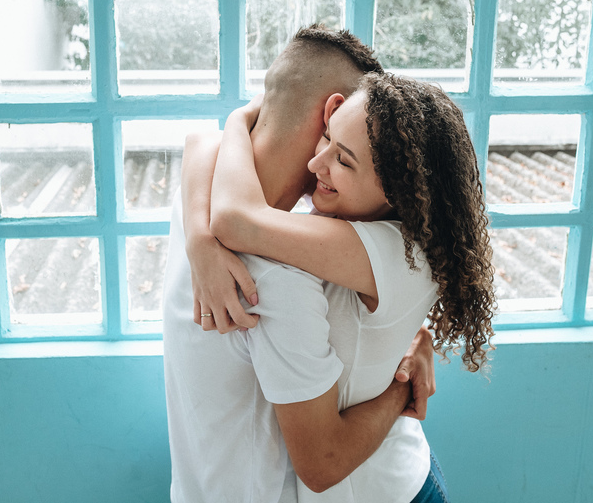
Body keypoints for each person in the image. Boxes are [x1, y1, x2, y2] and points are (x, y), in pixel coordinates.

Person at [193, 57, 496, 500]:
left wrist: (237, 120)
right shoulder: (357, 227)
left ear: (398, 192)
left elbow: (238, 220)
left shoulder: (398, 253)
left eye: (343, 161)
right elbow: (196, 148)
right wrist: (199, 243)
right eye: (328, 137)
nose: (316, 163)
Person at [163, 26, 439, 502]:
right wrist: (401, 390)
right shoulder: (273, 272)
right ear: (333, 112)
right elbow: (322, 462)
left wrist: (235, 121)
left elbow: (204, 152)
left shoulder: (201, 193)